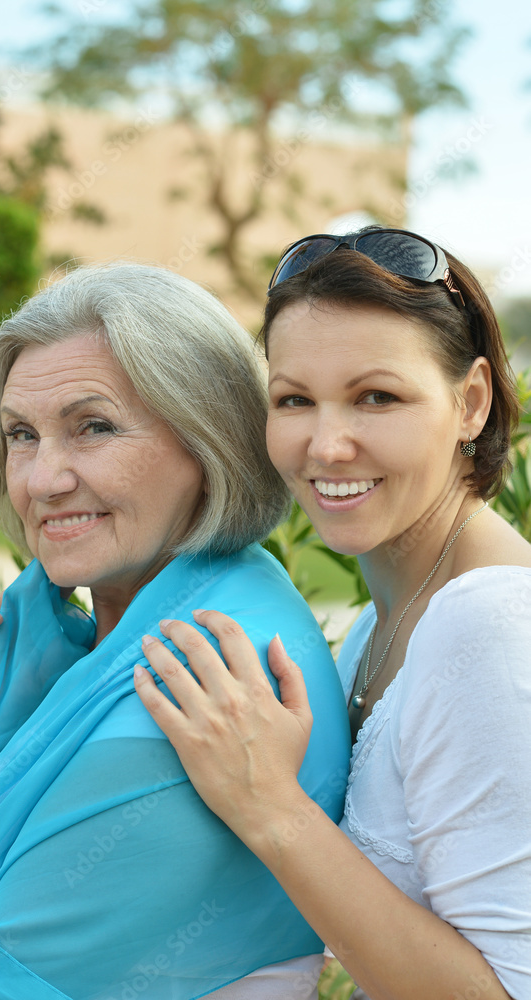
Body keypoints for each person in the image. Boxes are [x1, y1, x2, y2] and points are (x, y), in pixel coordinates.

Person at [0, 263, 351, 1000]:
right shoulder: (118, 632)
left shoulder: (194, 684)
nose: (40, 480)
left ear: (207, 438)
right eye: (21, 435)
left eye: (93, 427)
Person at [134, 229, 531, 1000]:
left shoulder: (490, 627)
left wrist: (271, 807)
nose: (326, 444)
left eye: (375, 397)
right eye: (294, 400)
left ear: (470, 403)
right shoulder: (378, 632)